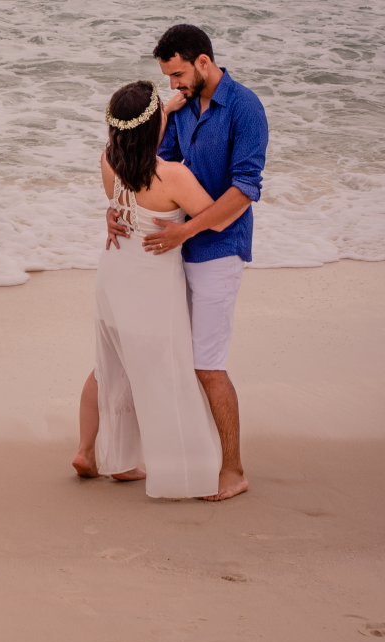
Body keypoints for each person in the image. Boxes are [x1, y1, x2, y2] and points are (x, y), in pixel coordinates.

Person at [105, 24, 268, 501]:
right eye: (167, 78)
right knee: (171, 356)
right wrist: (116, 207)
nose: (172, 86)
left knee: (207, 365)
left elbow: (245, 191)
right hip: (173, 253)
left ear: (202, 61)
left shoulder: (244, 108)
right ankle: (187, 454)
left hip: (217, 251)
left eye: (177, 75)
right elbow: (151, 167)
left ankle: (233, 470)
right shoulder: (182, 110)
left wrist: (186, 231)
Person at [73, 80, 247, 499]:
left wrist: (166, 108)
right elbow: (218, 217)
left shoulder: (108, 161)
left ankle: (88, 453)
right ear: (155, 128)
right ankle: (179, 469)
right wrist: (186, 229)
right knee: (162, 372)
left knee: (109, 365)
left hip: (113, 276)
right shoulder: (172, 176)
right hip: (150, 285)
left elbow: (120, 202)